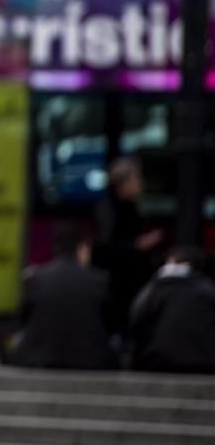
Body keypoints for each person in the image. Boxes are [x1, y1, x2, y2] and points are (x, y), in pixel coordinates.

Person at [11, 225, 117, 370]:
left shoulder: (36, 279)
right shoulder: (100, 281)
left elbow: (22, 320)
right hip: (91, 363)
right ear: (82, 248)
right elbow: (111, 326)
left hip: (40, 362)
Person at [95, 157, 163, 332]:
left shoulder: (130, 205)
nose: (141, 184)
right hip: (117, 282)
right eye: (136, 179)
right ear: (122, 184)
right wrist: (138, 244)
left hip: (130, 277)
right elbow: (105, 246)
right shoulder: (109, 208)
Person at [129, 246, 215, 374]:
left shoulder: (155, 287)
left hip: (157, 359)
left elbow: (136, 317)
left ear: (171, 260)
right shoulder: (207, 289)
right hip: (201, 361)